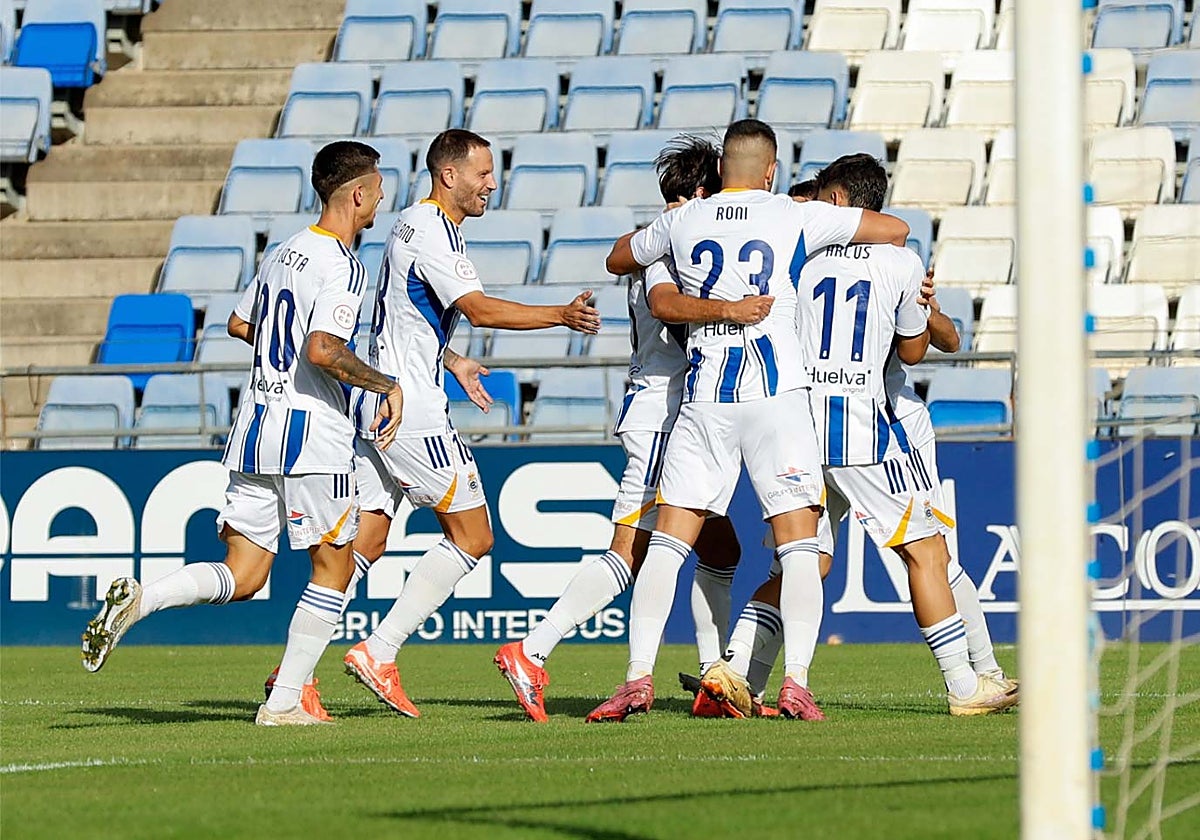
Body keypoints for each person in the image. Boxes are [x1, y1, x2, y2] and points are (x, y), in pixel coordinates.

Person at [592, 119, 910, 720]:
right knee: (799, 544)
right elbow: (894, 229)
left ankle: (637, 678)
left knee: (667, 541)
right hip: (776, 399)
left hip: (705, 398)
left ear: (720, 172)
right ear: (769, 170)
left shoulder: (686, 218)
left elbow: (618, 258)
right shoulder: (792, 215)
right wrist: (803, 213)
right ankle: (795, 683)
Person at [81, 141, 404, 726]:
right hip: (311, 437)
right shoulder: (342, 264)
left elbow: (237, 322)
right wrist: (384, 384)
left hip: (255, 427)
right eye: (379, 188)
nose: (381, 198)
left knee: (247, 573)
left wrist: (282, 352)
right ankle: (283, 703)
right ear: (357, 194)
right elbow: (324, 348)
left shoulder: (283, 252)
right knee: (335, 568)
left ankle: (143, 598)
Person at [717, 154, 1018, 718]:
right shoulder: (900, 261)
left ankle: (738, 674)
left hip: (798, 427)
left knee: (803, 564)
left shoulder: (796, 257)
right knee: (927, 553)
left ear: (835, 200)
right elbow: (910, 350)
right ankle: (965, 684)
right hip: (863, 428)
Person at [492, 136, 760, 723]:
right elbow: (673, 311)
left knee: (721, 545)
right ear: (700, 192)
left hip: (665, 407)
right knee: (632, 551)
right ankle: (532, 649)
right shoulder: (676, 242)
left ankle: (716, 678)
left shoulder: (661, 238)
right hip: (667, 413)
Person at [336, 129, 601, 718]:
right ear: (448, 174)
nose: (492, 183)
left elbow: (402, 316)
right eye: (482, 173)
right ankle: (380, 650)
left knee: (366, 542)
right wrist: (560, 314)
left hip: (380, 398)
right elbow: (477, 309)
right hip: (412, 409)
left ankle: (296, 665)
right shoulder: (433, 231)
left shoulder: (411, 222)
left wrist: (451, 358)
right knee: (473, 536)